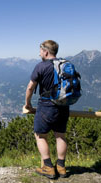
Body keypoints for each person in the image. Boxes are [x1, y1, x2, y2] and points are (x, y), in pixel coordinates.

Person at [24, 40, 69, 179]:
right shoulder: (65, 64)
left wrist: (28, 104)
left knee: (40, 136)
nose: (39, 54)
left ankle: (48, 167)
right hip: (64, 105)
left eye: (40, 51)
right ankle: (61, 167)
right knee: (60, 135)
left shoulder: (41, 66)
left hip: (46, 106)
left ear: (46, 51)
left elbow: (31, 87)